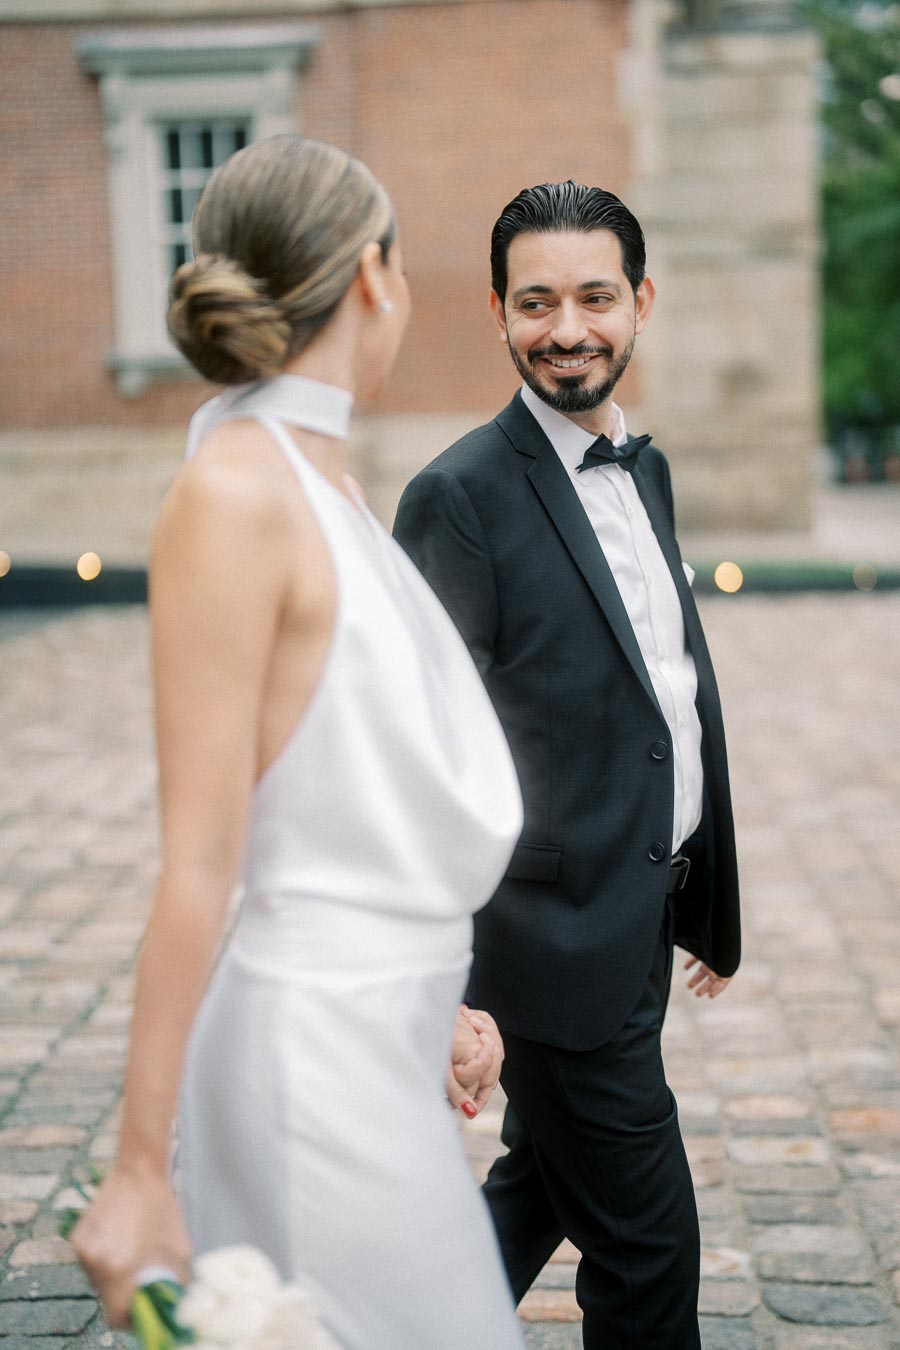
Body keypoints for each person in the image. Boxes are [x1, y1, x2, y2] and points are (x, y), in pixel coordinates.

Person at [71, 134, 527, 1350]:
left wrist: (434, 1004)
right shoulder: (234, 492)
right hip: (308, 1068)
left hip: (386, 1049)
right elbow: (200, 863)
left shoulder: (325, 488)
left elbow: (341, 788)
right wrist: (136, 1172)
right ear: (375, 276)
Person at [392, 180, 741, 1348]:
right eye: (536, 302)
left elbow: (665, 691)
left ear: (641, 302)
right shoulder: (457, 497)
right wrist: (450, 979)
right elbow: (421, 751)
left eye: (595, 296)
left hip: (639, 912)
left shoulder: (645, 468)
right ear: (499, 312)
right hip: (545, 947)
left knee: (539, 1185)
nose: (567, 328)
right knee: (649, 1252)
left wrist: (705, 891)